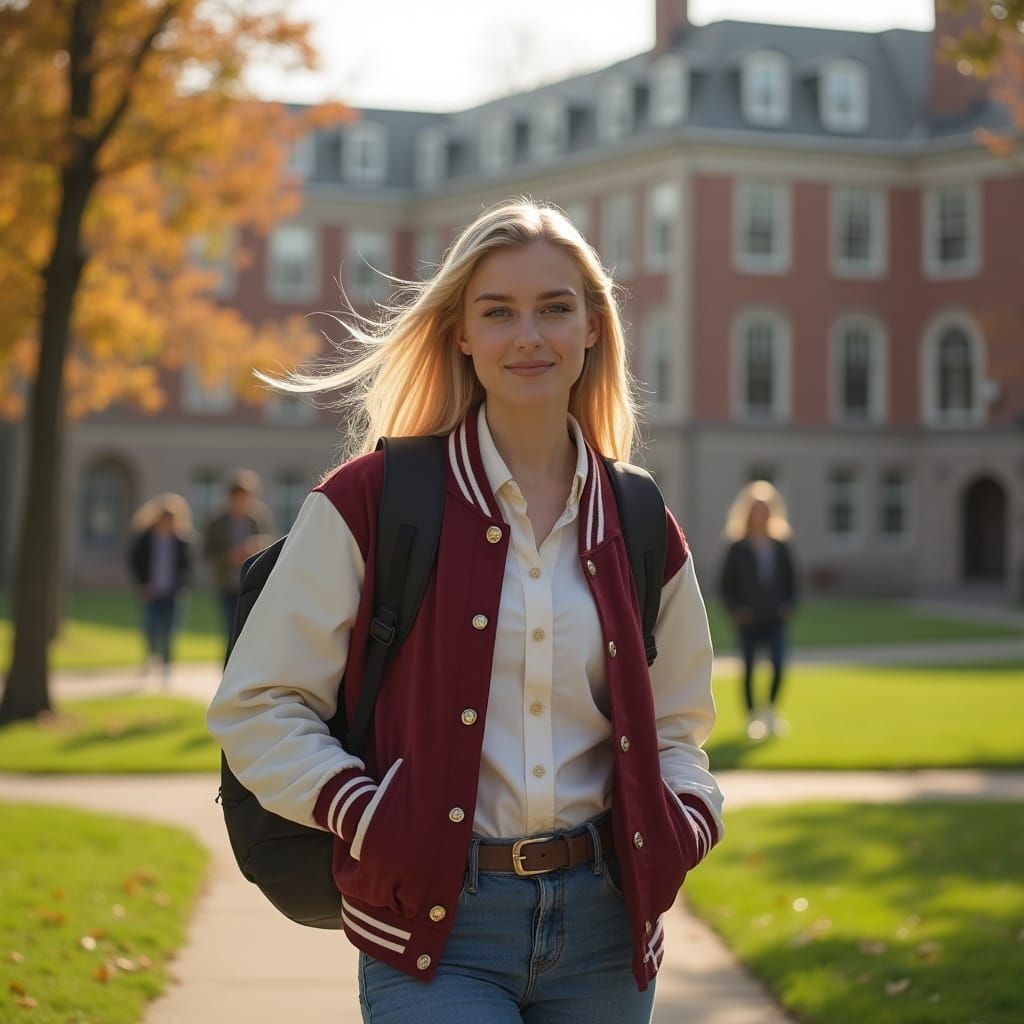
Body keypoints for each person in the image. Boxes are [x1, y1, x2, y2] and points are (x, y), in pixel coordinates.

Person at [207, 198, 724, 1023]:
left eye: (555, 308)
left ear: (592, 327)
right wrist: (371, 817)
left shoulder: (635, 516)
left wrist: (686, 820)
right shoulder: (372, 501)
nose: (529, 335)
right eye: (499, 312)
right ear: (461, 334)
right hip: (434, 930)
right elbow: (258, 704)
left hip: (607, 933)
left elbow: (680, 724)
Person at [718, 481, 799, 741]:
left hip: (775, 618)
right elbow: (725, 585)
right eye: (756, 509)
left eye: (765, 510)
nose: (760, 515)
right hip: (749, 620)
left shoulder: (781, 546)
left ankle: (771, 711)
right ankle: (753, 717)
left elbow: (793, 581)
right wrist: (737, 610)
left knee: (777, 664)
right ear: (748, 512)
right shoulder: (737, 547)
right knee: (750, 668)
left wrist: (789, 606)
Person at [202, 470, 274, 657]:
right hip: (228, 584)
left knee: (251, 630)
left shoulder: (257, 519)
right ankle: (228, 671)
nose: (244, 502)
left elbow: (270, 545)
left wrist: (259, 545)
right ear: (231, 498)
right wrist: (228, 557)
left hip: (253, 584)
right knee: (230, 630)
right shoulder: (218, 522)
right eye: (240, 498)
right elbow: (206, 552)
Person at [127, 492, 194, 685]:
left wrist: (182, 586)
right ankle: (149, 659)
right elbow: (134, 561)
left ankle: (166, 665)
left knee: (169, 631)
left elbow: (187, 568)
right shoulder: (145, 539)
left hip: (172, 593)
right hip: (151, 592)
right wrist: (141, 584)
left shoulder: (181, 541)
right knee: (150, 628)